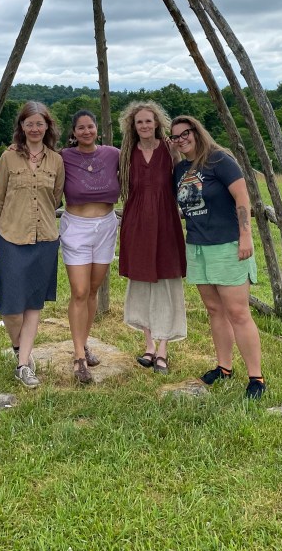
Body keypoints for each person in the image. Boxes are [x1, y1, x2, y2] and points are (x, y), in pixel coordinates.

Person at [171, 115, 266, 399]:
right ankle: (224, 367)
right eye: (175, 137)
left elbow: (241, 198)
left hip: (227, 245)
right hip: (198, 246)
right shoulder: (180, 170)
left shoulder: (219, 160)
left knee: (238, 312)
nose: (181, 139)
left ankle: (256, 377)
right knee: (214, 310)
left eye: (185, 133)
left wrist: (245, 235)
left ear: (197, 132)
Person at [0, 101, 65, 389]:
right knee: (10, 305)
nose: (34, 128)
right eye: (29, 123)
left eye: (39, 123)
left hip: (44, 238)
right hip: (11, 237)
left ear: (47, 127)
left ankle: (23, 365)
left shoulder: (56, 160)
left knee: (34, 303)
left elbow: (55, 198)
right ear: (21, 126)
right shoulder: (8, 158)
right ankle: (21, 348)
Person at [117, 100, 186, 375]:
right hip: (136, 222)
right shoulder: (126, 152)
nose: (144, 126)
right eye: (139, 122)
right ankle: (148, 345)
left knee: (167, 282)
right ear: (132, 127)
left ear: (157, 122)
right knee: (142, 281)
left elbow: (191, 165)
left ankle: (164, 350)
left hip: (166, 221)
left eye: (148, 120)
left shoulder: (170, 149)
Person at [60, 109, 121, 383]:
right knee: (80, 290)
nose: (86, 131)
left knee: (94, 289)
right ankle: (78, 356)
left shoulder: (113, 154)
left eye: (90, 126)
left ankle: (83, 342)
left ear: (97, 128)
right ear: (73, 132)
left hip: (106, 225)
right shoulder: (63, 157)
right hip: (77, 226)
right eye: (80, 128)